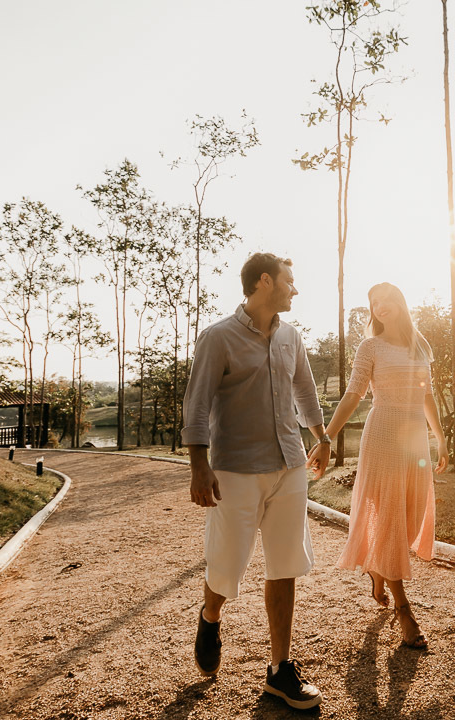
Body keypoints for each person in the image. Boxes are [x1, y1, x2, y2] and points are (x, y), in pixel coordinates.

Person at [181, 252, 332, 710]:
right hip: (234, 470)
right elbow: (198, 404)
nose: (295, 288)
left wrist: (321, 437)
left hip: (289, 465)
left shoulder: (292, 337)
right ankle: (210, 616)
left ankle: (280, 670)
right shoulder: (218, 338)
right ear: (264, 282)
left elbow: (304, 391)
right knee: (227, 564)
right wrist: (199, 465)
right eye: (289, 280)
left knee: (285, 563)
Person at [309, 282, 448, 650]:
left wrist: (441, 437)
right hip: (384, 434)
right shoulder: (370, 346)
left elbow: (427, 395)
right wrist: (325, 438)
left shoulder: (421, 346)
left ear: (400, 303)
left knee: (412, 514)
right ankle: (405, 611)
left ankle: (378, 567)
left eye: (386, 300)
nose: (380, 307)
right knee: (389, 516)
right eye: (374, 303)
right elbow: (353, 395)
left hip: (414, 437)